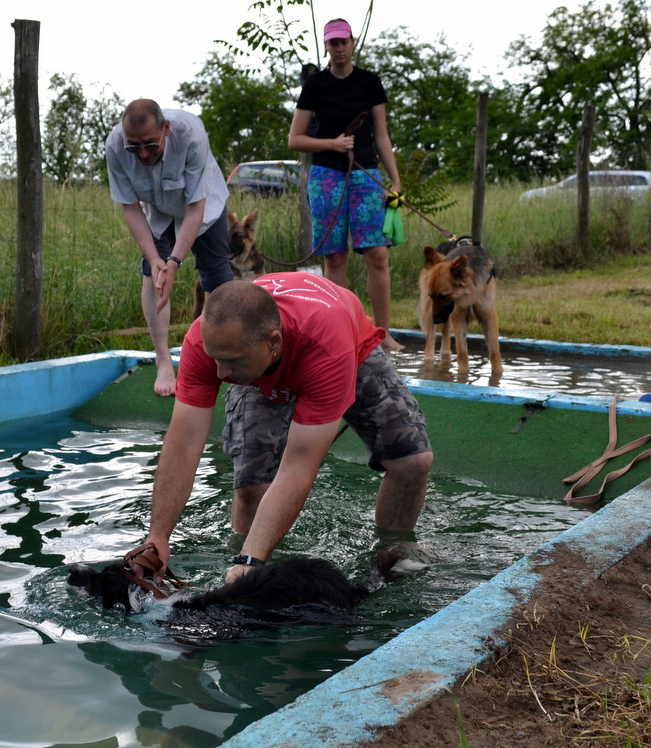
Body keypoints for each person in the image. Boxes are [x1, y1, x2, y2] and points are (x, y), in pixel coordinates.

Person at [134, 272, 433, 584]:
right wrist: (158, 537)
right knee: (253, 487)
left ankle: (391, 558)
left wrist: (251, 561)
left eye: (230, 362)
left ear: (273, 342)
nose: (221, 374)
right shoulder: (208, 343)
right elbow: (183, 442)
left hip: (343, 348)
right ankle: (242, 563)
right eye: (215, 358)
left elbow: (298, 466)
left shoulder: (326, 347)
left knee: (412, 461)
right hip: (259, 364)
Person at [288, 18, 404, 352]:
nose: (339, 48)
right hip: (326, 176)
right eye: (333, 43)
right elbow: (295, 139)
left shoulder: (370, 82)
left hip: (366, 174)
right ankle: (345, 334)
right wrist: (332, 144)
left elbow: (381, 135)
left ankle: (383, 335)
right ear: (326, 47)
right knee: (335, 259)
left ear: (352, 43)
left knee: (377, 255)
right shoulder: (315, 85)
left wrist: (395, 180)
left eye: (344, 42)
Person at [106, 99, 235, 397]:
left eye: (151, 144)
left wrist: (175, 261)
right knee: (153, 274)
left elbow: (195, 208)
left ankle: (217, 356)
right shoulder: (114, 145)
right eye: (134, 146)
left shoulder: (192, 135)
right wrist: (155, 259)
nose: (143, 154)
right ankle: (164, 360)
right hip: (156, 208)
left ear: (166, 128)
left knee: (217, 278)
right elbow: (130, 207)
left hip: (203, 204)